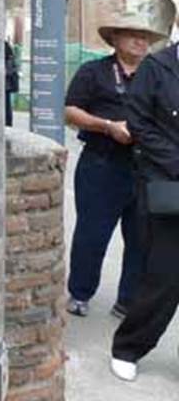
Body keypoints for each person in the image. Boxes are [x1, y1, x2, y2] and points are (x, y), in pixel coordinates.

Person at [63, 13, 166, 320]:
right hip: (101, 164)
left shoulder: (158, 75)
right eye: (133, 35)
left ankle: (128, 300)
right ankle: (80, 293)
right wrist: (108, 126)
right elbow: (70, 111)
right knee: (92, 234)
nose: (141, 41)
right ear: (115, 39)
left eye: (145, 36)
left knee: (141, 239)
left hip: (146, 169)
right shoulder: (93, 72)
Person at [110, 29, 179, 382]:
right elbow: (138, 121)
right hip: (169, 182)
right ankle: (128, 347)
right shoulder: (157, 67)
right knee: (164, 277)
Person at [5, 40, 19, 127]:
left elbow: (10, 66)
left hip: (5, 85)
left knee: (6, 108)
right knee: (7, 108)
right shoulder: (6, 46)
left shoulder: (5, 46)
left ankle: (7, 126)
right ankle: (8, 125)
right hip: (7, 86)